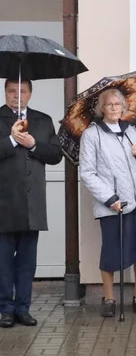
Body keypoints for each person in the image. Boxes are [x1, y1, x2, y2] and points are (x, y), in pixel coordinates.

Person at [79, 88, 136, 318]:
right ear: (101, 108)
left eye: (118, 104)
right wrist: (110, 198)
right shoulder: (92, 135)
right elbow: (87, 173)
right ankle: (109, 298)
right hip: (114, 204)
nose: (114, 108)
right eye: (109, 104)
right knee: (112, 253)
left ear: (124, 107)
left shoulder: (131, 131)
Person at [0, 79, 63, 328]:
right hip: (5, 201)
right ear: (5, 93)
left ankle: (23, 308)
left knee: (27, 260)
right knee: (4, 260)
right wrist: (12, 140)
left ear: (30, 94)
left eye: (22, 91)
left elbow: (56, 155)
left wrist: (33, 144)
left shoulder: (43, 120)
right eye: (11, 91)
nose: (17, 95)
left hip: (32, 201)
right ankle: (5, 309)